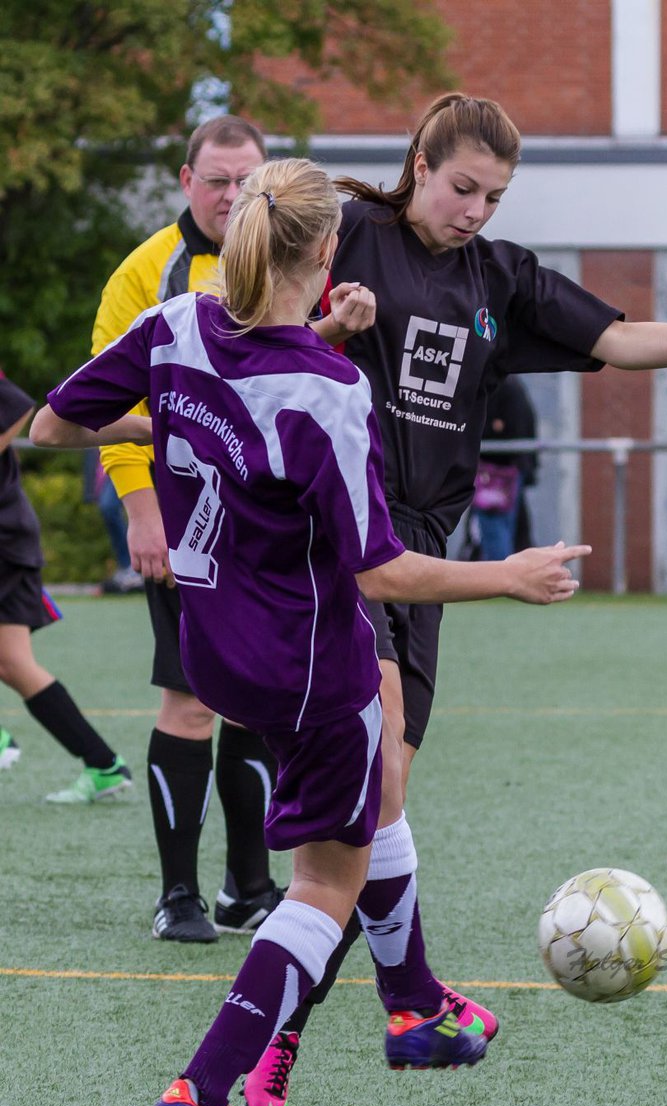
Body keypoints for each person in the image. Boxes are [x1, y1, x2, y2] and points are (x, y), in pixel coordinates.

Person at [238, 92, 667, 1106]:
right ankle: (378, 1009)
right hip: (333, 537)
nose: (474, 210)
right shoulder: (347, 233)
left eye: (493, 196)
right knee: (379, 782)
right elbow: (256, 339)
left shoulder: (498, 278)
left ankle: (296, 1028)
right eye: (462, 187)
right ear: (418, 162)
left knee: (360, 822)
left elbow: (619, 338)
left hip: (422, 557)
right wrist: (328, 327)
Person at [31, 156, 589, 1106]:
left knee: (376, 771)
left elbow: (53, 423)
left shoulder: (177, 328)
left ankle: (415, 1002)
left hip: (216, 646)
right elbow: (379, 566)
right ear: (326, 251)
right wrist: (505, 574)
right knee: (324, 885)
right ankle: (198, 1090)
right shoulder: (328, 390)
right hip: (303, 661)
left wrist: (175, 418)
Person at [94, 114, 376, 942]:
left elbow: (276, 379)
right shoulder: (151, 272)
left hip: (272, 530)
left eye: (244, 180)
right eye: (215, 179)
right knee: (187, 704)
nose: (229, 195)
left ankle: (249, 887)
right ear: (187, 181)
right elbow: (104, 402)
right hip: (190, 527)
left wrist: (338, 326)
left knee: (261, 707)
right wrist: (142, 509)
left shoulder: (288, 252)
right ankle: (177, 893)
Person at [0, 370, 131, 801]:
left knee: (13, 662)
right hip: (11, 538)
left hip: (5, 538)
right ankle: (103, 765)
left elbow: (17, 405)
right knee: (13, 663)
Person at [471, 374, 539, 560]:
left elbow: (510, 429)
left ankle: (499, 576)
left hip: (499, 473)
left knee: (496, 527)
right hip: (507, 469)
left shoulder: (503, 385)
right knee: (508, 528)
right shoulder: (510, 385)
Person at [81, 452, 144, 593]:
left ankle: (139, 568)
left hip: (142, 452)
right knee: (108, 507)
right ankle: (130, 567)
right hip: (119, 453)